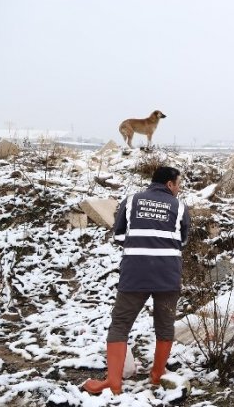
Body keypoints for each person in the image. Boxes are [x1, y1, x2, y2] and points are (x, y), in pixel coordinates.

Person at [83, 166, 190, 395]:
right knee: (164, 325)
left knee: (120, 324)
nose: (178, 188)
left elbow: (120, 235)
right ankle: (157, 374)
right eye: (178, 183)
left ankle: (113, 382)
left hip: (135, 273)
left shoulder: (131, 201)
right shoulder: (179, 206)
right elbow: (181, 240)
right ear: (170, 184)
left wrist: (140, 245)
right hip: (167, 275)